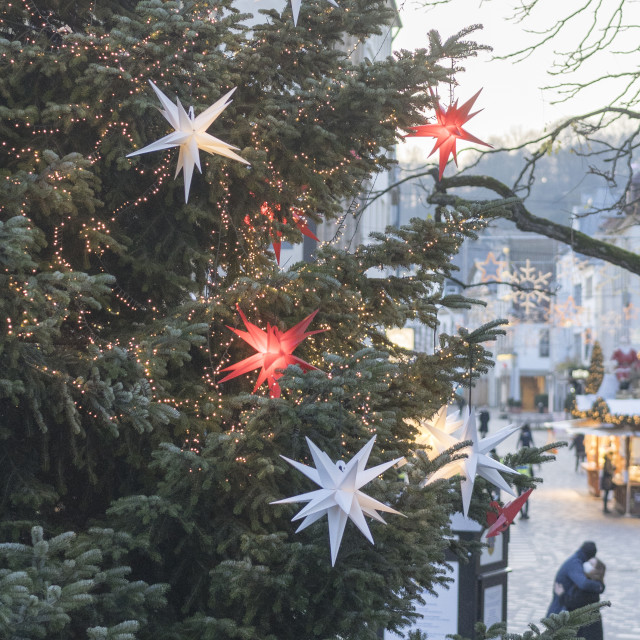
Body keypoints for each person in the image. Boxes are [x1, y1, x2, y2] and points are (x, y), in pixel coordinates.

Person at [546, 541, 605, 617]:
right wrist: (600, 586)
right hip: (559, 610)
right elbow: (583, 584)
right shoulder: (575, 563)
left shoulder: (576, 560)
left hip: (562, 608)